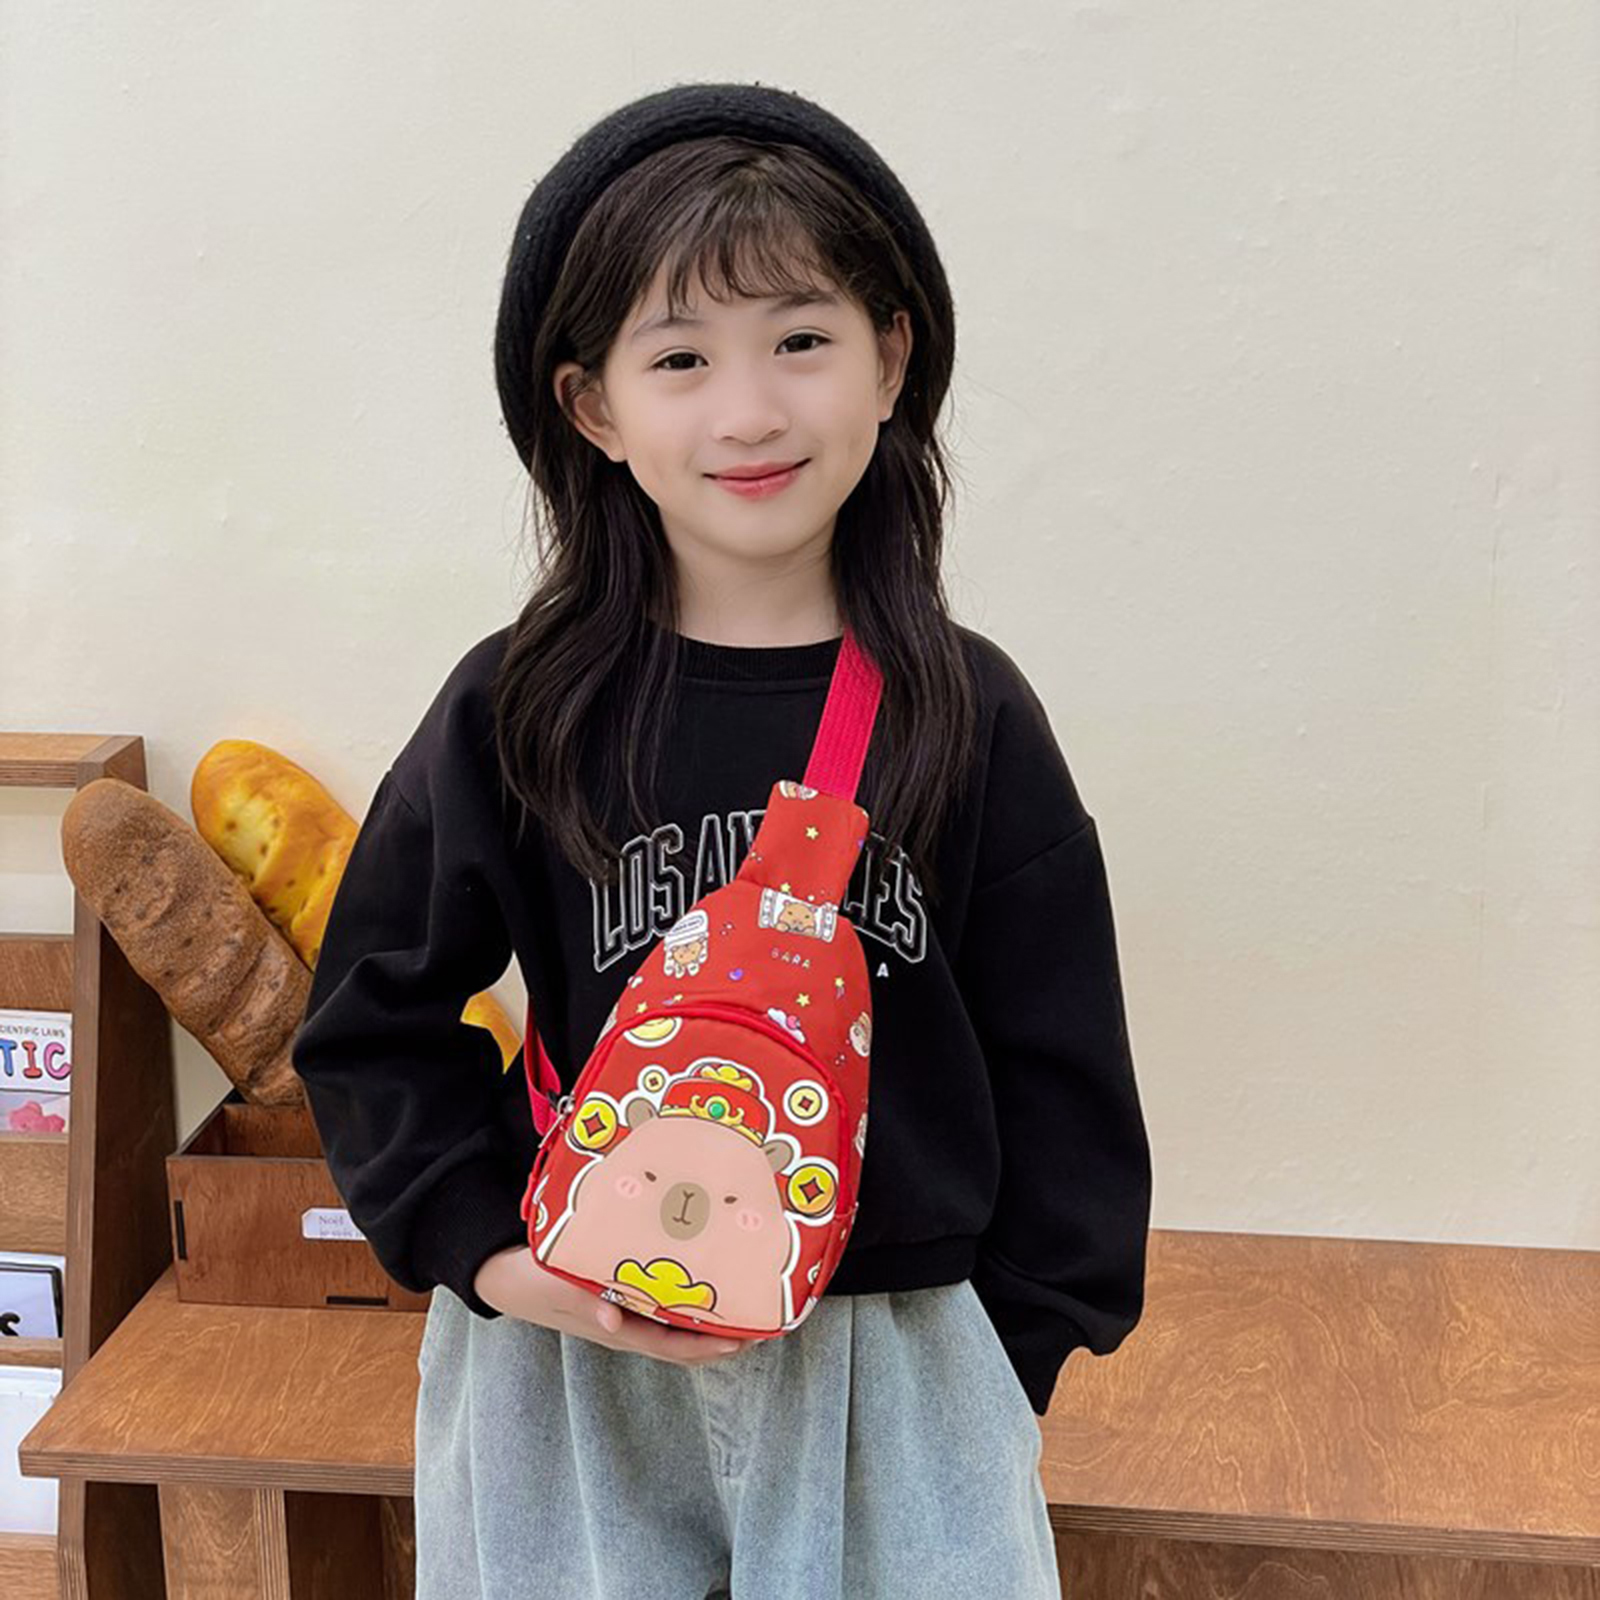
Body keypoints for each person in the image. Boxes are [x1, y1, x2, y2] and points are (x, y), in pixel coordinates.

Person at [291, 81, 1153, 1600]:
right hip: (574, 1374)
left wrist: (990, 1367)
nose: (748, 411)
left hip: (892, 1371)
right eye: (680, 357)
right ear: (594, 408)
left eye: (801, 340)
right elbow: (372, 1019)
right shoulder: (521, 708)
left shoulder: (969, 716)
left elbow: (1064, 1073)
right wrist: (498, 1262)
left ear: (892, 359)